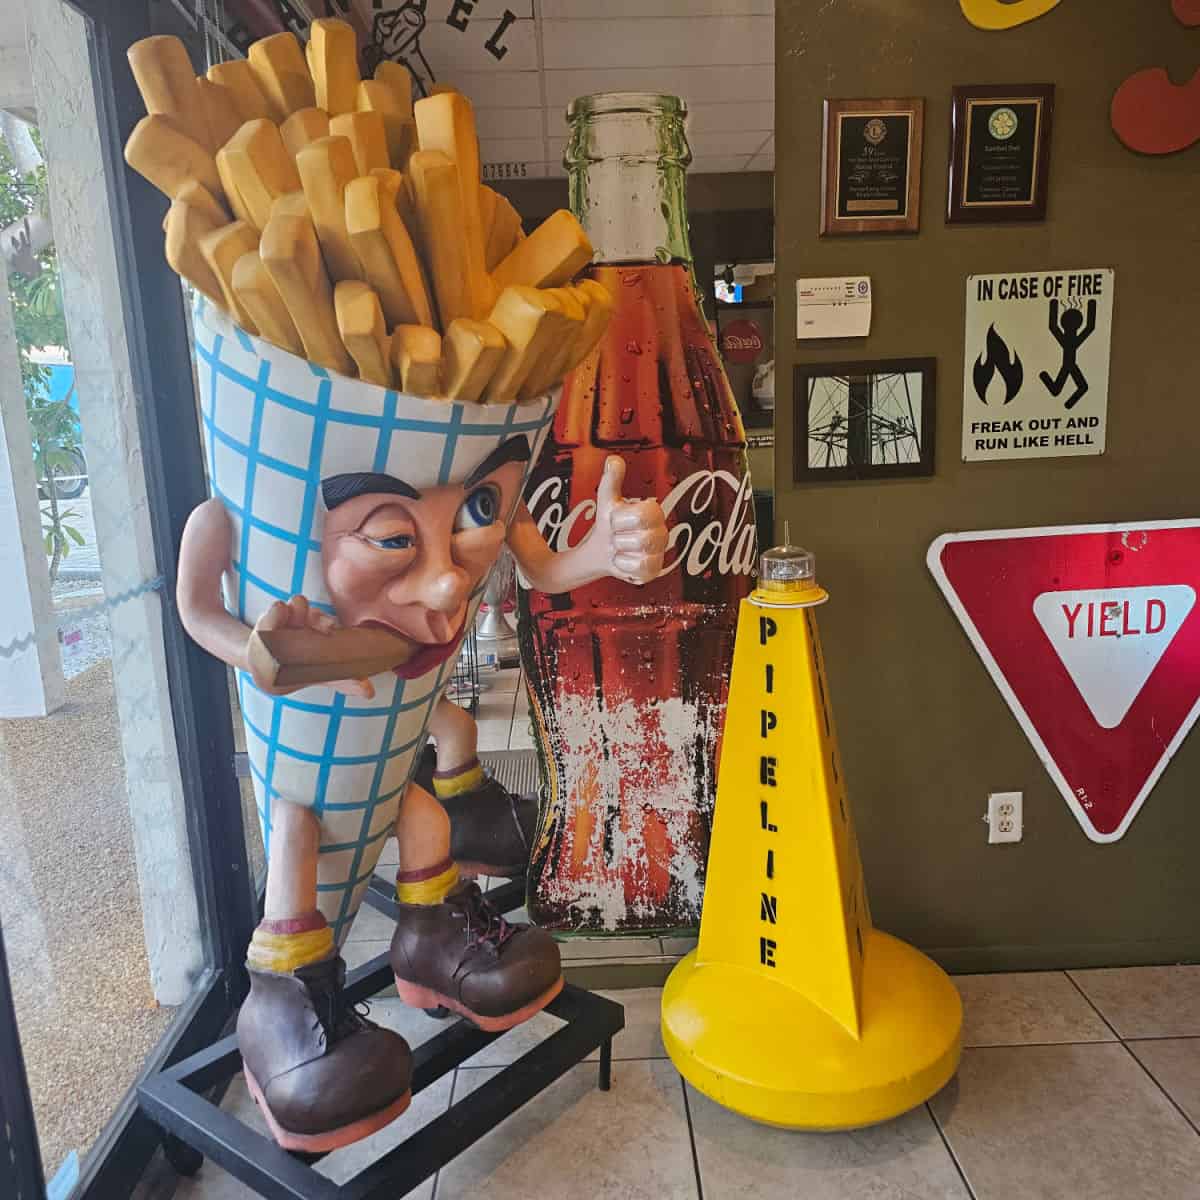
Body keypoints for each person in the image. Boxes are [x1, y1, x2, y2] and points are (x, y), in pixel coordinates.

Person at [178, 423, 666, 1150]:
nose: (448, 584)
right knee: (296, 830)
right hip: (305, 738)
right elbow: (195, 611)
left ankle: (433, 936)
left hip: (400, 712)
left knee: (424, 816)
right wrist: (261, 652)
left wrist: (604, 552)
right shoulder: (230, 512)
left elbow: (539, 565)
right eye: (391, 536)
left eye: (474, 517)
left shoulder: (476, 464)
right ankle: (281, 1000)